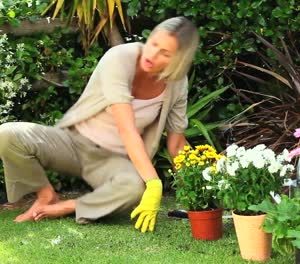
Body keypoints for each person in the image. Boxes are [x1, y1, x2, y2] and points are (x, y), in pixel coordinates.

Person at [0, 17, 199, 233]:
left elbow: (177, 144)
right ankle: (46, 195)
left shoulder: (178, 84)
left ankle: (68, 207)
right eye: (154, 44)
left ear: (178, 61)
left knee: (134, 188)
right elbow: (127, 128)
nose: (153, 55)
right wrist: (155, 182)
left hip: (114, 161)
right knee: (7, 134)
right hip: (73, 142)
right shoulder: (120, 58)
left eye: (165, 54)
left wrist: (199, 191)